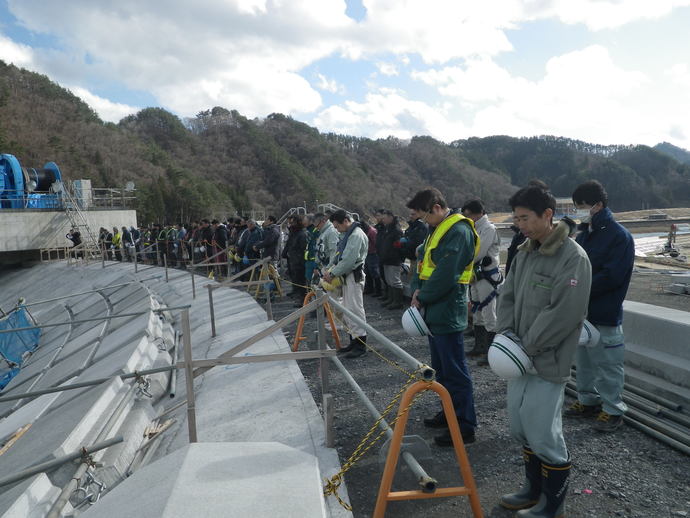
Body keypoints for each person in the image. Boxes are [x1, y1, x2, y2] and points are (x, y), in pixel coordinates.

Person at [496, 183, 591, 518]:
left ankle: (553, 505)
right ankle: (532, 489)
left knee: (543, 431)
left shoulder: (572, 257)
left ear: (547, 215)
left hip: (547, 360)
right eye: (517, 218)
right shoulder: (525, 251)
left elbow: (565, 312)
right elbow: (507, 296)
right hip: (519, 358)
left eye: (524, 218)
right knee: (520, 425)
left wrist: (527, 346)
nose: (519, 224)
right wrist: (505, 335)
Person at [407, 188, 480, 447]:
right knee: (441, 368)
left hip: (448, 308)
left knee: (455, 370)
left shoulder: (458, 231)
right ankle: (448, 412)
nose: (423, 220)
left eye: (424, 214)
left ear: (436, 207)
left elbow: (447, 274)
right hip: (434, 308)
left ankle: (464, 425)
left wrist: (422, 296)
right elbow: (423, 261)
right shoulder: (436, 230)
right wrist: (417, 289)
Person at [564, 180, 634, 433]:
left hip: (605, 311)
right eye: (576, 206)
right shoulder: (585, 235)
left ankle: (613, 409)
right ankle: (587, 401)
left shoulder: (619, 236)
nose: (578, 211)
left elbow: (613, 275)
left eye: (582, 206)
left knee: (608, 364)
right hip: (583, 312)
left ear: (599, 205)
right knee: (584, 361)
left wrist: (579, 286)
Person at [323, 210, 369, 358]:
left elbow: (348, 261)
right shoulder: (348, 235)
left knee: (355, 310)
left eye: (337, 226)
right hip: (347, 276)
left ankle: (360, 345)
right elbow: (339, 256)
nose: (337, 229)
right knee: (348, 310)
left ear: (345, 221)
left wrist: (332, 273)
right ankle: (353, 341)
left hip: (353, 276)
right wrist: (330, 270)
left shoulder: (356, 235)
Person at [461, 200, 502, 364]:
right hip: (476, 275)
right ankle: (480, 347)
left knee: (488, 313)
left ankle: (492, 353)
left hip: (487, 276)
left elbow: (478, 252)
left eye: (468, 214)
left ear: (477, 213)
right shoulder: (476, 227)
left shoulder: (488, 228)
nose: (467, 218)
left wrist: (461, 260)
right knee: (477, 311)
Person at [378, 211, 404, 310]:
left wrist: (395, 257)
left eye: (384, 218)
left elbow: (399, 246)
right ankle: (391, 299)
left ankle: (398, 302)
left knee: (395, 281)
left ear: (390, 217)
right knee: (389, 280)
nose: (383, 220)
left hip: (393, 259)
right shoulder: (388, 229)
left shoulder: (396, 230)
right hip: (386, 259)